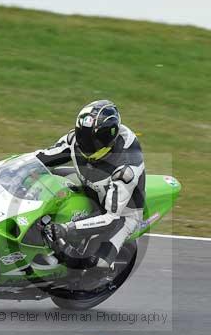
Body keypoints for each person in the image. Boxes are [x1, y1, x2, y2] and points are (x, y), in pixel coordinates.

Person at [30, 100, 145, 268]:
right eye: (83, 136)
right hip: (89, 187)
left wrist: (66, 229)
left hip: (121, 213)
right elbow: (39, 159)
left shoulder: (125, 170)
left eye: (93, 141)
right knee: (40, 183)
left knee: (93, 264)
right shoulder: (75, 140)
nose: (85, 144)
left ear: (108, 139)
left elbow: (110, 218)